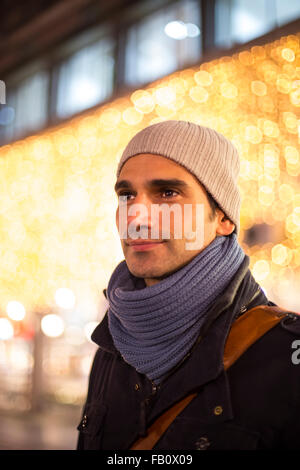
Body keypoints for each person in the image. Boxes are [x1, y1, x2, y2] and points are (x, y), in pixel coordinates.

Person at [77, 120, 300, 450]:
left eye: (167, 193)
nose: (136, 217)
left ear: (223, 218)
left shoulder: (284, 358)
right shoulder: (114, 346)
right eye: (126, 195)